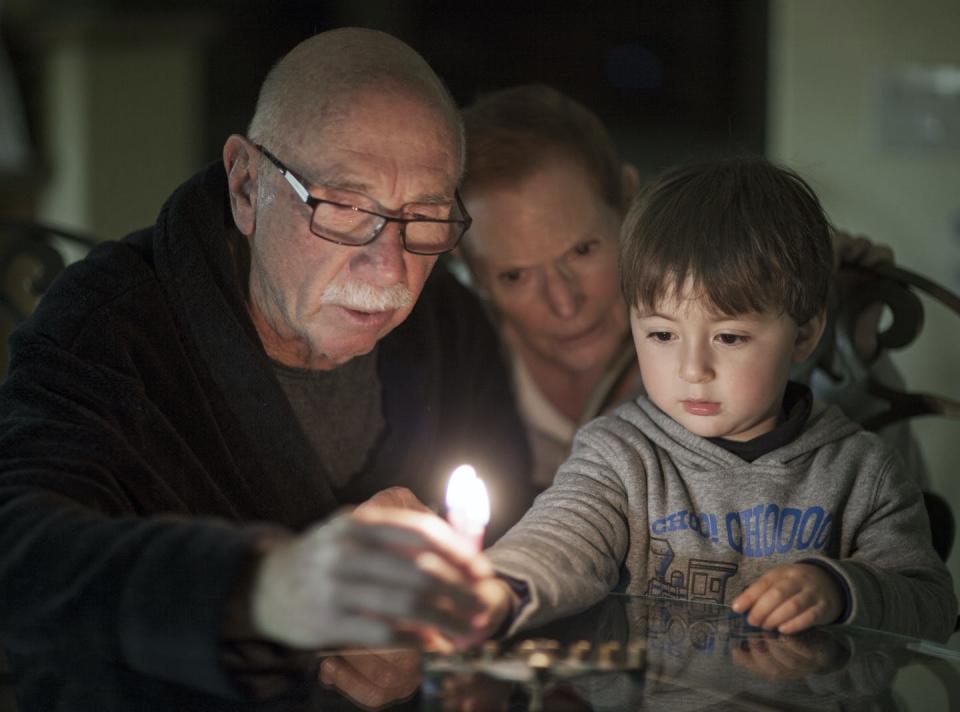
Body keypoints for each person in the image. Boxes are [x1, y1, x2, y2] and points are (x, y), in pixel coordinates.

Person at [0, 28, 527, 711]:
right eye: (343, 207)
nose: (390, 268)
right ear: (247, 187)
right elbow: (20, 551)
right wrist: (270, 590)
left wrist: (441, 646)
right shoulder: (113, 325)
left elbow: (517, 533)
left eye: (423, 219)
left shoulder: (446, 321)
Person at [477, 157, 957, 643]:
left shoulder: (861, 472)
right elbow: (559, 540)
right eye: (663, 334)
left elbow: (930, 604)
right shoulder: (618, 457)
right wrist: (497, 589)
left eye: (729, 338)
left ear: (804, 334)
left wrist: (842, 588)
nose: (692, 370)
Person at [458, 84, 929, 492]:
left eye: (582, 251)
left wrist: (852, 346)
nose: (565, 304)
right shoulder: (457, 371)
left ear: (628, 200)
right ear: (468, 269)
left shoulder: (757, 340)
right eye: (514, 276)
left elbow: (896, 531)